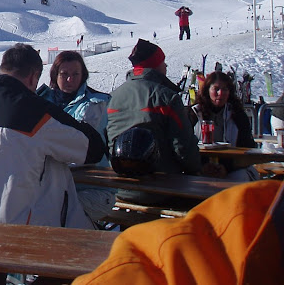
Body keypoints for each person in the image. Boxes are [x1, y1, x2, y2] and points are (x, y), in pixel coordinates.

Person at [0, 43, 105, 285]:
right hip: (21, 230)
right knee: (73, 260)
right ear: (33, 76)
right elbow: (91, 148)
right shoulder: (35, 111)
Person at [71, 179, 284, 285]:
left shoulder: (249, 221)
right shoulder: (253, 226)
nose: (220, 94)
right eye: (216, 89)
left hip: (122, 191)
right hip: (140, 192)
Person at [107, 39, 200, 203]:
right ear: (155, 66)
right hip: (160, 188)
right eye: (163, 62)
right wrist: (199, 169)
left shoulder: (112, 98)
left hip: (120, 188)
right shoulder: (167, 97)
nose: (165, 67)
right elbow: (183, 148)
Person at [37, 51, 114, 223]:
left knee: (52, 214)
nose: (70, 80)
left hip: (89, 187)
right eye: (64, 74)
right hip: (50, 187)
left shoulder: (96, 104)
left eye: (75, 74)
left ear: (83, 76)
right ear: (55, 75)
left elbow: (75, 146)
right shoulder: (39, 101)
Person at [190, 71, 258, 181]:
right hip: (200, 168)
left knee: (240, 178)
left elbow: (247, 149)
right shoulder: (194, 114)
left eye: (225, 89)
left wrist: (227, 168)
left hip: (232, 169)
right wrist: (201, 167)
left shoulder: (238, 116)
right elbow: (185, 147)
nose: (220, 93)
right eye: (216, 89)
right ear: (208, 90)